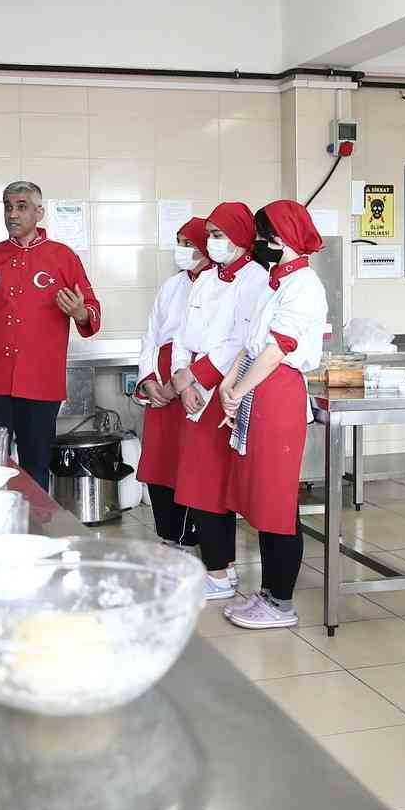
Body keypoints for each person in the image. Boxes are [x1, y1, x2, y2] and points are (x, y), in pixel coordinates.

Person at [0, 179, 101, 491]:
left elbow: (91, 311)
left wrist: (79, 313)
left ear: (39, 212)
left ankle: (36, 531)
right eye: (7, 207)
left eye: (21, 207)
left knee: (35, 464)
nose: (12, 214)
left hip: (40, 382)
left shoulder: (63, 258)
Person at [220, 201, 328, 629]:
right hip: (256, 389)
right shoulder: (274, 283)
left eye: (267, 235)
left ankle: (281, 602)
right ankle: (266, 593)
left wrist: (239, 388)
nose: (261, 243)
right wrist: (230, 384)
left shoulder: (304, 285)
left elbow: (277, 348)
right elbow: (250, 343)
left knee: (278, 502)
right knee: (261, 499)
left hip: (278, 393)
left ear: (286, 237)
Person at [170, 202, 270, 600]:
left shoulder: (255, 279)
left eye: (218, 235)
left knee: (212, 483)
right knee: (197, 484)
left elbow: (240, 343)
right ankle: (217, 567)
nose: (211, 243)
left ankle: (220, 570)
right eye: (209, 234)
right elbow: (182, 332)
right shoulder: (206, 279)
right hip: (194, 385)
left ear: (242, 237)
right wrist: (181, 377)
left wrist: (197, 378)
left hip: (225, 388)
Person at [135, 216, 211, 545]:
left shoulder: (218, 285)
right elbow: (150, 338)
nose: (182, 250)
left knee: (193, 467)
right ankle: (168, 536)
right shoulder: (172, 286)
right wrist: (148, 380)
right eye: (179, 243)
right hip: (161, 396)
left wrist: (180, 383)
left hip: (195, 390)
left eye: (189, 243)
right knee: (159, 466)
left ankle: (194, 540)